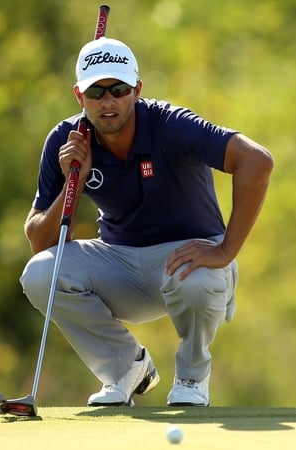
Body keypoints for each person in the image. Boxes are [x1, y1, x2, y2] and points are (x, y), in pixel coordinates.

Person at [19, 37, 273, 407]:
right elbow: (42, 242)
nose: (109, 102)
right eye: (97, 92)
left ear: (136, 89)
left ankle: (191, 379)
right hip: (119, 261)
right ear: (79, 95)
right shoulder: (67, 140)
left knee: (197, 279)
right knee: (40, 273)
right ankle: (126, 369)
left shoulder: (172, 125)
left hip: (188, 259)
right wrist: (74, 179)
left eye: (119, 90)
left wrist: (225, 250)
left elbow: (257, 161)